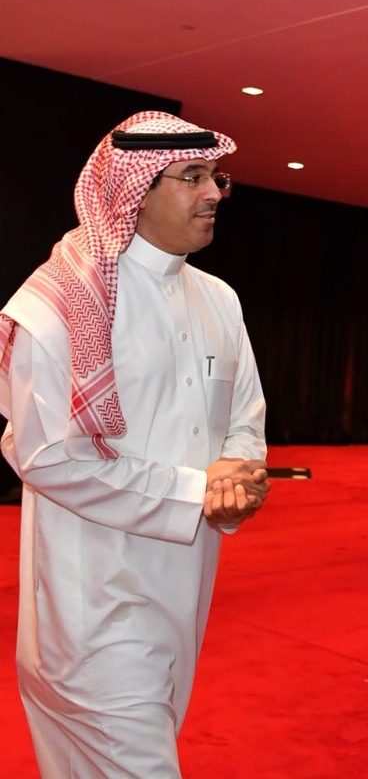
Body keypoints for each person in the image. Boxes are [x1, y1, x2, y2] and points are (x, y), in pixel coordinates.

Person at [0, 110, 270, 778]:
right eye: (193, 177)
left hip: (182, 595)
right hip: (93, 606)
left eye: (217, 178)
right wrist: (194, 491)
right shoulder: (59, 302)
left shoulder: (219, 299)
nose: (214, 194)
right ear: (134, 191)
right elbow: (47, 457)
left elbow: (241, 417)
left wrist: (237, 478)